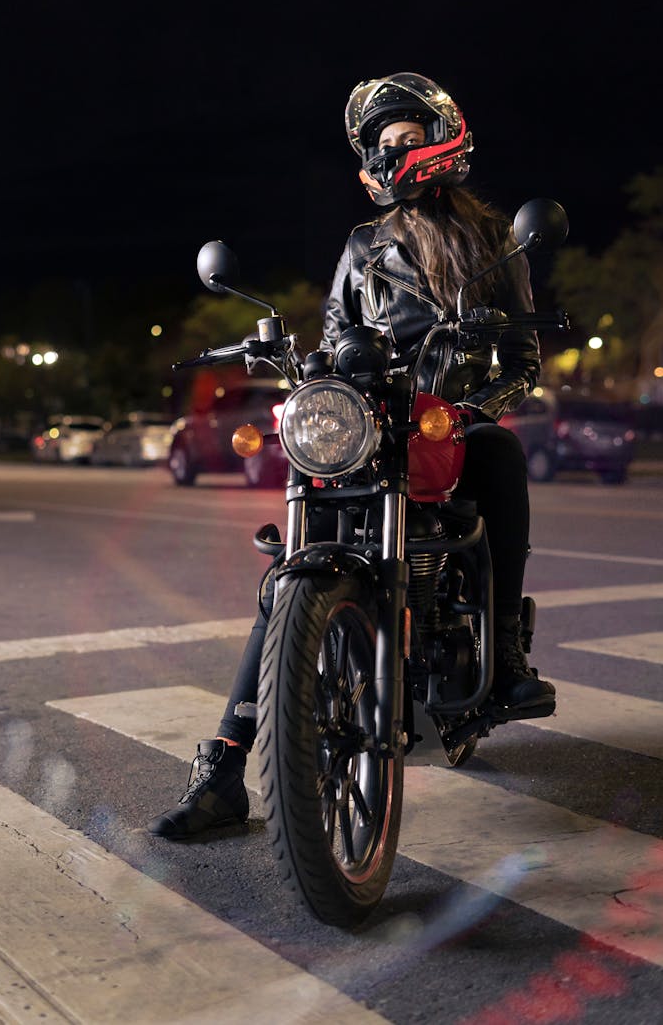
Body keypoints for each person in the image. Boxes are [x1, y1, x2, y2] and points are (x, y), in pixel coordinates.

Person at [148, 71, 556, 840]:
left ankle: (502, 659)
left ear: (441, 140)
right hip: (372, 423)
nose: (394, 155)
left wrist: (474, 407)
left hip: (449, 425)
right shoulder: (364, 245)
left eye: (405, 139)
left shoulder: (496, 242)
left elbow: (524, 362)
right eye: (383, 145)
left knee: (498, 452)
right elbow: (339, 331)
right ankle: (226, 768)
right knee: (286, 580)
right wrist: (308, 362)